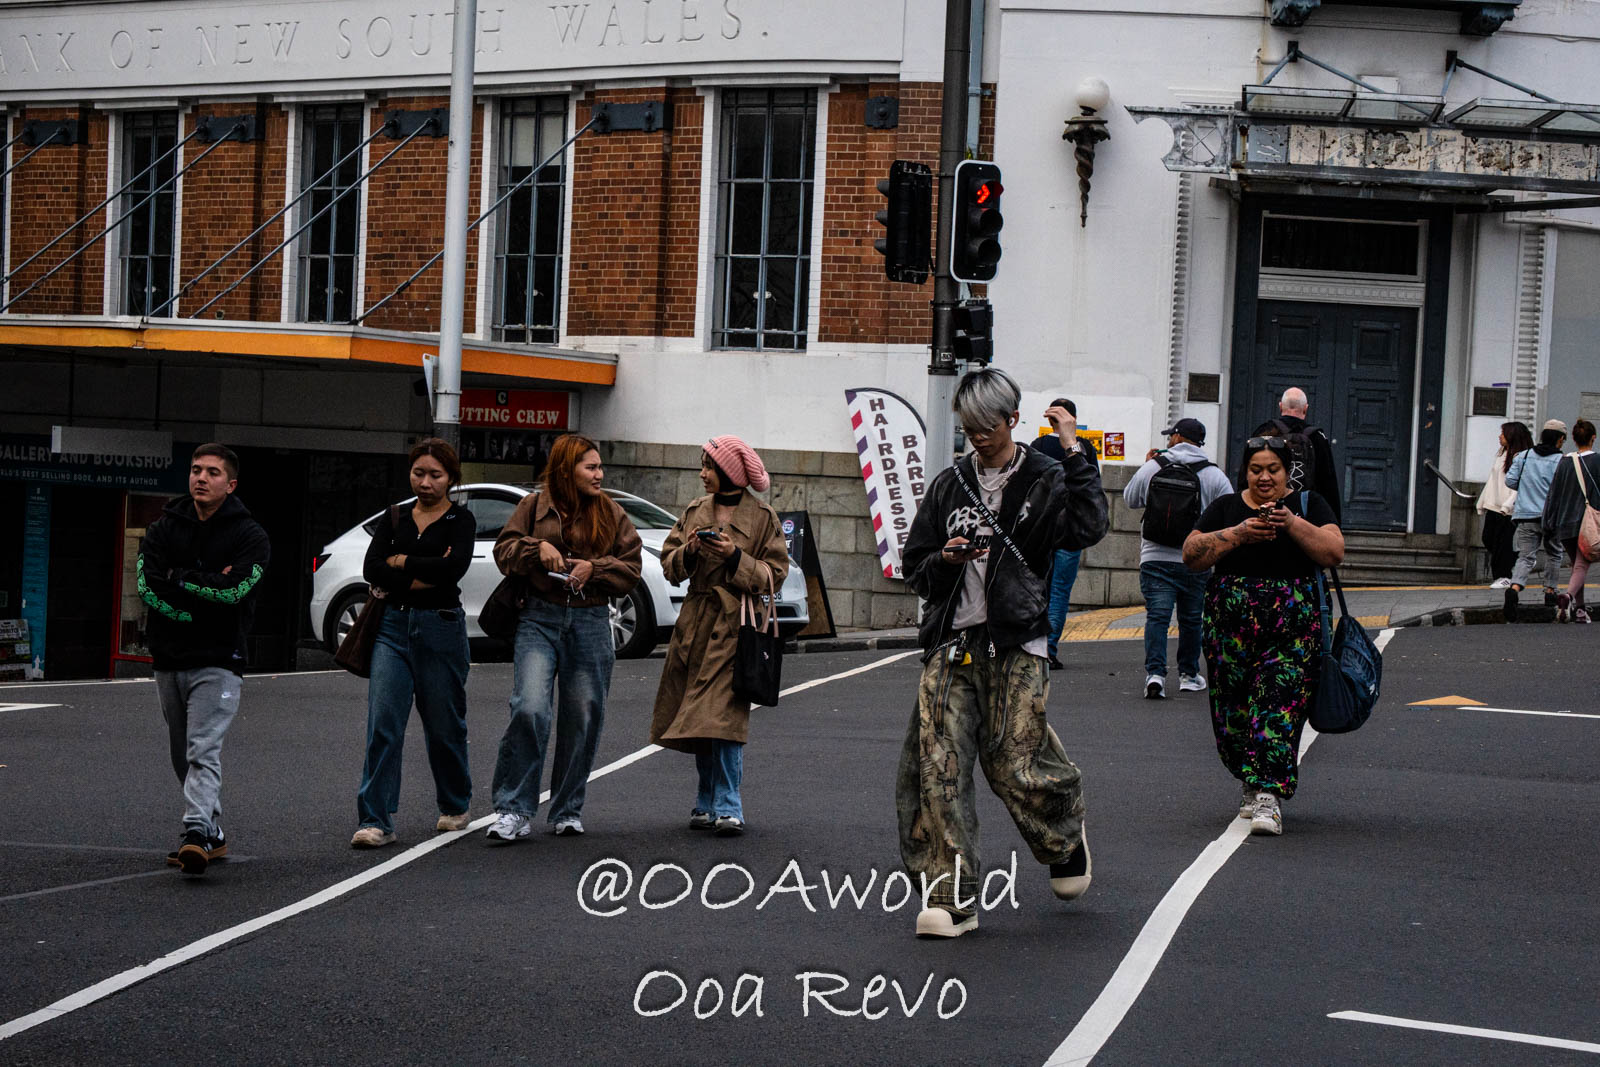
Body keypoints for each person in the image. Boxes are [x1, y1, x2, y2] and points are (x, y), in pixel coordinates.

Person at [897, 367, 1108, 939]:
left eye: (987, 427)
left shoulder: (1044, 478)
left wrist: (1073, 448)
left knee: (1012, 763)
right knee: (938, 770)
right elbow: (913, 566)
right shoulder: (949, 485)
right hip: (951, 645)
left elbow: (1090, 526)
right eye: (968, 429)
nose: (978, 439)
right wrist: (944, 558)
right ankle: (952, 897)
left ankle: (1063, 834)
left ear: (1012, 420)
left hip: (1018, 641)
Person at [1182, 435, 1344, 837]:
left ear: (1288, 472)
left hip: (1292, 629)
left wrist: (1290, 522)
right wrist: (1238, 533)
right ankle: (1251, 781)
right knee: (1232, 712)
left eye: (1273, 469)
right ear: (1245, 472)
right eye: (1257, 469)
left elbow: (1333, 551)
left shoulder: (1309, 505)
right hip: (1229, 629)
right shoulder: (1226, 508)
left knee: (1278, 705)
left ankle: (1268, 796)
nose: (1265, 477)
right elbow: (1191, 553)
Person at [484, 434, 642, 842]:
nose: (599, 474)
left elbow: (632, 568)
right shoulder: (532, 506)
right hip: (538, 617)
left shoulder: (610, 511)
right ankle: (514, 810)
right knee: (530, 707)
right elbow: (504, 552)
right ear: (566, 468)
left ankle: (567, 809)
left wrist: (595, 568)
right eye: (590, 467)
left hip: (590, 619)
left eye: (600, 466)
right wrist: (537, 549)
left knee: (583, 716)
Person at [138, 443, 271, 876]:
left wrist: (180, 578)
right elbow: (148, 587)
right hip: (168, 656)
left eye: (212, 472)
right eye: (196, 470)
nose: (201, 477)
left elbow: (235, 593)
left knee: (203, 748)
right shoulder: (162, 528)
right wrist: (198, 592)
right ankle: (212, 831)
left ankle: (195, 831)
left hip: (219, 657)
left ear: (230, 484)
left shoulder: (250, 536)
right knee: (182, 751)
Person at [650, 435, 790, 837]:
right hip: (696, 627)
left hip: (737, 629)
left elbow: (773, 576)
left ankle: (728, 804)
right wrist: (691, 552)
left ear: (728, 471)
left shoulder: (763, 519)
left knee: (724, 719)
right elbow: (669, 564)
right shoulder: (695, 511)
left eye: (708, 466)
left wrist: (734, 557)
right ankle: (706, 799)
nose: (702, 474)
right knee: (699, 716)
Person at [351, 438, 476, 848]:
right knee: (383, 724)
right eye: (418, 473)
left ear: (451, 479)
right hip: (391, 627)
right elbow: (371, 566)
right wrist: (418, 577)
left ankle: (455, 805)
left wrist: (401, 563)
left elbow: (452, 569)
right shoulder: (394, 517)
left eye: (435, 475)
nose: (425, 482)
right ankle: (376, 820)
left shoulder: (462, 520)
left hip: (440, 627)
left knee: (444, 724)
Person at [1123, 417, 1234, 699]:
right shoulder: (1214, 474)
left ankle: (1156, 675)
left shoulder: (1154, 466)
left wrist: (1147, 468)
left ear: (1177, 438)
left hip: (1154, 557)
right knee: (1191, 619)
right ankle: (1188, 675)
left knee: (1157, 617)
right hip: (1195, 559)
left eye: (1170, 436)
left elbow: (1130, 499)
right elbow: (1230, 513)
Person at [1033, 397, 1101, 670]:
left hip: (1039, 530)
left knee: (1037, 589)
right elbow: (1092, 484)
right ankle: (1049, 650)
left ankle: (1034, 647)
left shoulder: (1037, 446)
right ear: (1073, 419)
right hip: (1071, 529)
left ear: (1050, 419)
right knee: (1060, 591)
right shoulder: (1084, 449)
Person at [1504, 419, 1568, 622]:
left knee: (1526, 557)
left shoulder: (1523, 456)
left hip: (1525, 514)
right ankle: (1550, 591)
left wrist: (1528, 490)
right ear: (1560, 440)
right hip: (1552, 517)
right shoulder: (1562, 461)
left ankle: (1514, 588)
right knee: (1554, 554)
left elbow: (1510, 481)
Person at [1542, 418, 1599, 624]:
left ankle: (1581, 611)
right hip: (1587, 522)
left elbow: (1553, 494)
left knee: (1577, 565)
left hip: (1564, 521)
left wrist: (1548, 521)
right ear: (1593, 438)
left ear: (1573, 440)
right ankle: (1568, 597)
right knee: (1581, 566)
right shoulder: (1597, 461)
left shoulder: (1564, 461)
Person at [1253, 386, 1340, 521]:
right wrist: (1333, 523)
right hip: (1305, 515)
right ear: (1305, 409)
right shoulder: (1317, 437)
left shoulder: (1264, 431)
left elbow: (1248, 474)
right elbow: (1328, 483)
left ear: (1280, 406)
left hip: (1266, 512)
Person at [1477, 421, 1530, 589]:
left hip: (1508, 508)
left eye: (1503, 433)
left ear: (1512, 436)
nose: (1499, 436)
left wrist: (1508, 505)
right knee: (1488, 538)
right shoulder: (1501, 454)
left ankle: (1504, 575)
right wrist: (1482, 501)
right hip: (1494, 505)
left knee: (1503, 542)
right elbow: (1492, 480)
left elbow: (1520, 484)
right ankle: (1516, 559)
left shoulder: (1520, 457)